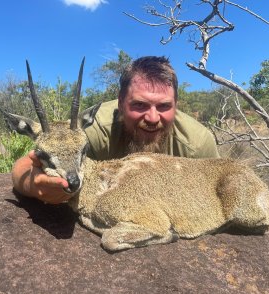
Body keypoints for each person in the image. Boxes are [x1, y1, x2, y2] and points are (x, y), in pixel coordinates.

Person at [12, 56, 219, 204]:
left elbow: (220, 185)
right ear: (120, 103)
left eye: (164, 106)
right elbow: (24, 165)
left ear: (176, 104)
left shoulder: (198, 143)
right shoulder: (99, 126)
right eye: (140, 105)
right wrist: (35, 185)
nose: (153, 118)